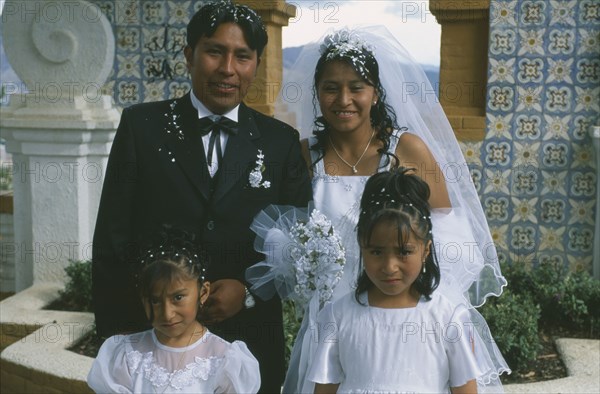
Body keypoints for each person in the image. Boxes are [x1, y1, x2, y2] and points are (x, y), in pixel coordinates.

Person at [91, 1, 312, 392]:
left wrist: (248, 290)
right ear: (190, 55)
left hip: (249, 343)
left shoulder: (281, 143)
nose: (228, 69)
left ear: (256, 64)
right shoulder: (141, 128)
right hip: (154, 344)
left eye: (242, 56)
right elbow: (112, 239)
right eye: (215, 52)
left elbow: (299, 245)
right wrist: (119, 338)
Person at [278, 26, 507, 393]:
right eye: (331, 87)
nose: (344, 99)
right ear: (317, 92)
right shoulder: (306, 155)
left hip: (403, 305)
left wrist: (410, 291)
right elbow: (291, 228)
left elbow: (448, 231)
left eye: (357, 87)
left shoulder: (408, 149)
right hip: (334, 313)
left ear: (375, 92)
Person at [308, 168, 509, 393]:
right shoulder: (338, 316)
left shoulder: (448, 318)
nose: (389, 266)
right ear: (361, 248)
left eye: (403, 251)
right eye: (376, 252)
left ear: (425, 250)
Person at [87, 231, 261, 393]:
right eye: (155, 301)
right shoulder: (128, 354)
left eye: (178, 298)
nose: (167, 314)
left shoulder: (224, 359)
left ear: (203, 293)